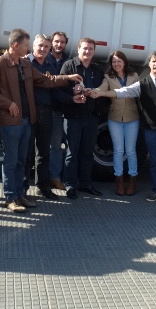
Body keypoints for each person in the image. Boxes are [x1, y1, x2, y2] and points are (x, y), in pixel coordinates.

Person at [0, 29, 82, 212]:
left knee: (21, 160)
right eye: (27, 45)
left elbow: (46, 80)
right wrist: (7, 103)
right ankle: (10, 197)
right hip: (11, 121)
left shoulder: (25, 64)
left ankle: (20, 195)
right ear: (16, 45)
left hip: (26, 119)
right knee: (11, 161)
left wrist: (67, 78)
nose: (29, 48)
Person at [90, 51, 156, 206]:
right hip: (151, 129)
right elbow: (123, 92)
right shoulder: (142, 83)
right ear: (149, 64)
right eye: (153, 61)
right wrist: (100, 92)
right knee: (154, 162)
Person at [59, 38, 105, 199]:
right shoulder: (68, 66)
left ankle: (85, 183)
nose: (87, 51)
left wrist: (93, 93)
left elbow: (102, 89)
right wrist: (73, 91)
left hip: (91, 117)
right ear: (78, 49)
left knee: (87, 153)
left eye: (91, 49)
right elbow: (60, 88)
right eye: (85, 48)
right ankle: (70, 185)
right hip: (73, 116)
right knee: (72, 152)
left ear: (94, 51)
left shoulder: (97, 69)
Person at [96, 51, 140, 196]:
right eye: (114, 62)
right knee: (118, 150)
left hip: (132, 118)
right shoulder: (108, 77)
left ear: (124, 62)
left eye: (119, 61)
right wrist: (96, 91)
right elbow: (102, 88)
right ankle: (119, 181)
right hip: (114, 118)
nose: (116, 64)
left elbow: (136, 93)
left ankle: (132, 180)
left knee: (131, 150)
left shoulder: (134, 76)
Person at [26, 34, 61, 200]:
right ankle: (23, 188)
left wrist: (73, 98)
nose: (43, 49)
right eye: (40, 45)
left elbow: (55, 89)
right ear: (33, 45)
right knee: (26, 151)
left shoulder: (51, 65)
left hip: (46, 111)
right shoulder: (25, 63)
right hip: (29, 111)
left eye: (46, 47)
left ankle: (43, 186)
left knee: (44, 152)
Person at [47, 31, 70, 191]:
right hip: (47, 108)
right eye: (56, 41)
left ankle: (59, 177)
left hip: (63, 108)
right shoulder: (44, 60)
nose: (59, 44)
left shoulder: (68, 62)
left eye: (62, 42)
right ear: (51, 42)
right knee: (50, 145)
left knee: (61, 145)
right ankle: (49, 178)